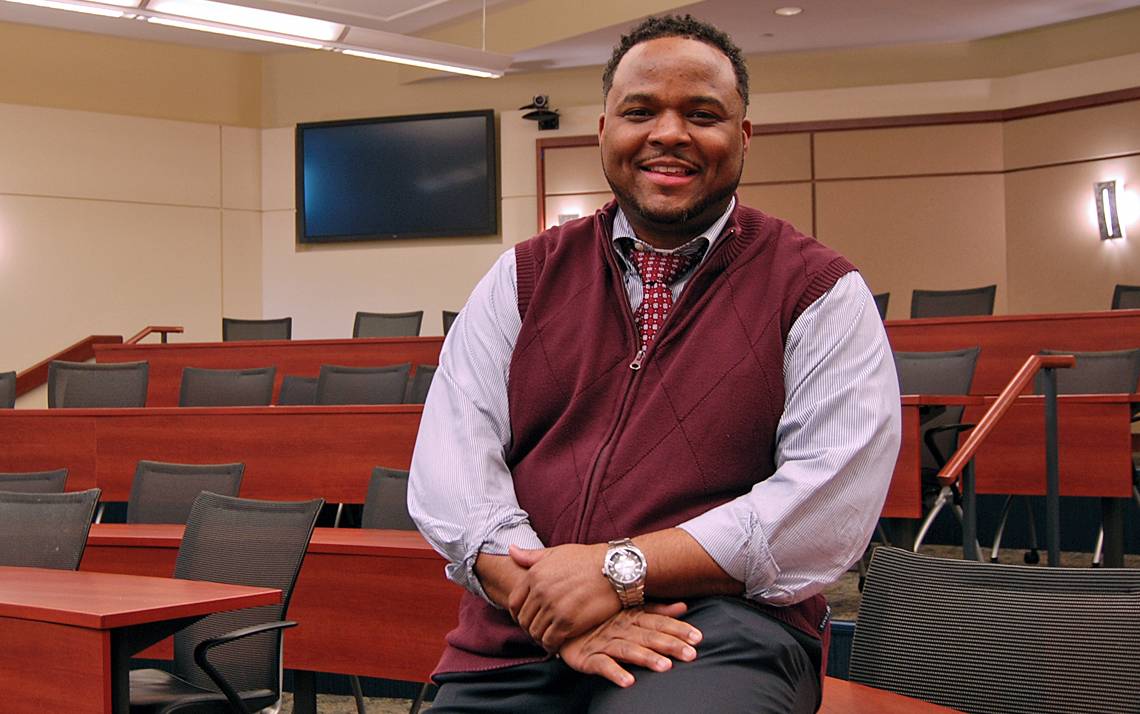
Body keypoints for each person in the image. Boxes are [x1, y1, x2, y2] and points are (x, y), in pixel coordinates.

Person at [409, 14, 900, 713]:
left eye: (702, 114)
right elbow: (452, 467)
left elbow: (826, 509)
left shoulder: (817, 289)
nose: (669, 133)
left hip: (722, 633)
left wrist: (616, 573)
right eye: (641, 111)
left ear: (744, 136)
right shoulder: (523, 275)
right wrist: (549, 597)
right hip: (521, 632)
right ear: (604, 130)